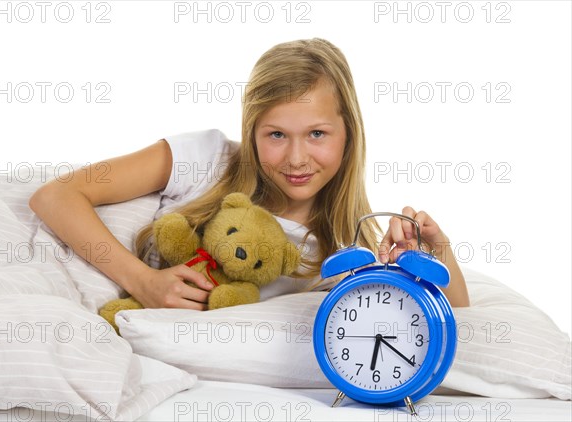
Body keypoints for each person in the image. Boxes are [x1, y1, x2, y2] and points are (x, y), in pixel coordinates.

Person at [29, 38, 470, 311]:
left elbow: (456, 321)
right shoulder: (207, 158)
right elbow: (55, 196)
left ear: (349, 133)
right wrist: (141, 280)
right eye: (276, 134)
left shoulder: (345, 251)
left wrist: (438, 251)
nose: (297, 158)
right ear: (251, 131)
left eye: (317, 133)